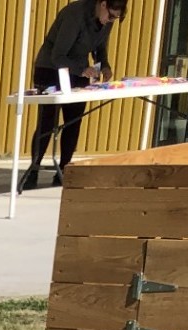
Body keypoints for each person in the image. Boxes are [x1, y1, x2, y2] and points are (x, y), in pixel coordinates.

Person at [21, 0, 128, 191]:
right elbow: (58, 55)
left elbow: (100, 47)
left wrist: (104, 64)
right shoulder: (75, 15)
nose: (110, 21)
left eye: (115, 18)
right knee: (48, 121)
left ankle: (64, 170)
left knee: (73, 121)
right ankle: (33, 170)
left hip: (79, 71)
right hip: (51, 69)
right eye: (111, 16)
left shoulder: (106, 21)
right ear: (102, 4)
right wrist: (82, 70)